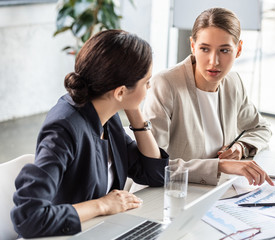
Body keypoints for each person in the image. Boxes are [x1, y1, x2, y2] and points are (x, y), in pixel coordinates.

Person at [11, 30, 169, 238]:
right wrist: (101, 205)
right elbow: (28, 217)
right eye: (146, 82)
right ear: (120, 91)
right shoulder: (64, 128)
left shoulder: (106, 116)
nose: (149, 88)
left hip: (101, 231)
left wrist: (134, 112)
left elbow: (155, 173)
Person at [143, 8, 273, 186]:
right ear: (192, 46)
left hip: (218, 191)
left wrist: (240, 147)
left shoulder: (233, 83)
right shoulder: (166, 84)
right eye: (204, 49)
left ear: (239, 49)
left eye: (224, 50)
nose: (214, 61)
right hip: (173, 192)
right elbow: (155, 165)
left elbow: (260, 128)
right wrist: (220, 166)